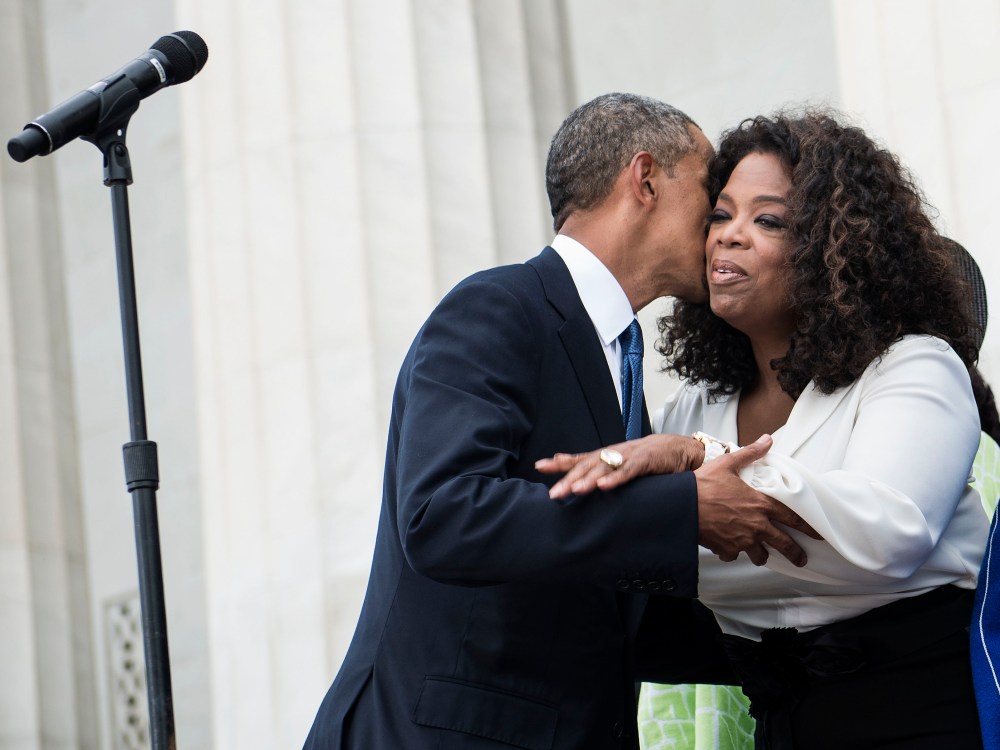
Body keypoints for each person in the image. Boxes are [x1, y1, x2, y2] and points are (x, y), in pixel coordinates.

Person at [301, 94, 817, 750]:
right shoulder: (497, 307)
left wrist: (813, 650)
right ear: (646, 179)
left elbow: (602, 606)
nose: (721, 224)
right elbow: (443, 515)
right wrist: (683, 508)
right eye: (711, 191)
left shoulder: (619, 362)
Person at [540, 110, 988, 748]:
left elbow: (890, 536)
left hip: (923, 715)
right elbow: (653, 562)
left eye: (768, 220)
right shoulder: (696, 405)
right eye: (719, 215)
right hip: (780, 723)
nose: (730, 235)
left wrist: (698, 462)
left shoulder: (914, 364)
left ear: (836, 250)